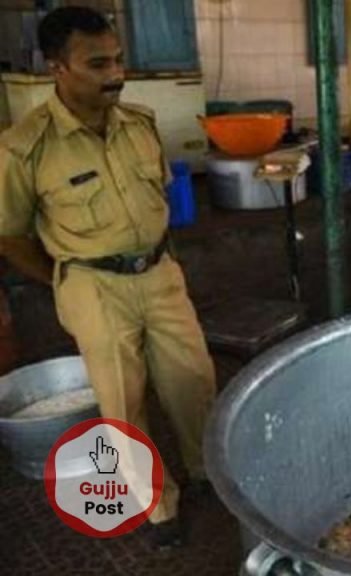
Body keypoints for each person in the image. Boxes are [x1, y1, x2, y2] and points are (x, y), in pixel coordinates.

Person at [0, 7, 215, 548]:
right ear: (58, 68)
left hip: (161, 273)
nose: (115, 74)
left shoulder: (138, 123)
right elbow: (9, 234)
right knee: (122, 401)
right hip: (92, 286)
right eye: (97, 64)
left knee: (194, 383)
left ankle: (208, 474)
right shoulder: (24, 147)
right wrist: (65, 279)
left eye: (118, 60)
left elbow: (158, 197)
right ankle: (156, 506)